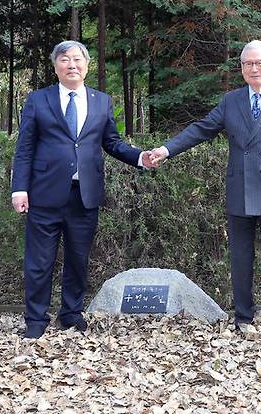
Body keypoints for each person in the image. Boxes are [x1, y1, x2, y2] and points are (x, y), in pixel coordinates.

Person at [150, 40, 261, 345]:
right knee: (240, 258)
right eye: (247, 63)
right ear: (242, 68)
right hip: (241, 189)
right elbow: (200, 129)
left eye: (259, 62)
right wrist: (167, 149)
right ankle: (243, 317)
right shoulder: (231, 101)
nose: (253, 68)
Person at [11, 40, 155, 339]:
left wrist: (139, 157)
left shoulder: (101, 101)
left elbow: (112, 143)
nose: (71, 65)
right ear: (56, 66)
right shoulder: (38, 100)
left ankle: (71, 315)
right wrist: (19, 189)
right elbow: (24, 148)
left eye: (78, 59)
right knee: (39, 262)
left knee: (78, 260)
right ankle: (35, 320)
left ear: (87, 65)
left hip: (84, 195)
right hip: (44, 194)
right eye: (65, 59)